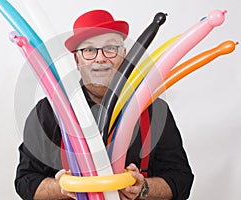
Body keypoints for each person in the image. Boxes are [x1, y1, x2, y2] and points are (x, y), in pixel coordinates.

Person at [14, 10, 194, 200]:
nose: (100, 58)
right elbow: (25, 181)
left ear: (124, 55)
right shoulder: (48, 111)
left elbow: (181, 181)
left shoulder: (155, 110)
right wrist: (63, 187)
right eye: (89, 50)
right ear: (77, 60)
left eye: (110, 48)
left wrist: (144, 188)